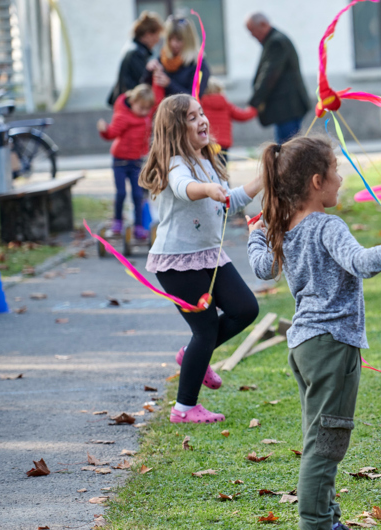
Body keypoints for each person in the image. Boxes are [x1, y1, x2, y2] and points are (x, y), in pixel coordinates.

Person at [247, 136, 381, 530]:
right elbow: (361, 263)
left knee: (320, 437)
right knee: (325, 445)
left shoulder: (286, 228)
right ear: (317, 181)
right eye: (335, 171)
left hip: (305, 347)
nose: (341, 178)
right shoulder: (327, 226)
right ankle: (315, 523)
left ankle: (329, 518)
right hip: (331, 346)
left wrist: (257, 232)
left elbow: (263, 268)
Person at [139, 94, 263, 423]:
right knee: (205, 330)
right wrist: (206, 189)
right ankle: (184, 408)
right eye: (192, 117)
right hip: (177, 261)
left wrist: (262, 181)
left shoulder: (206, 160)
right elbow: (184, 188)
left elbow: (227, 201)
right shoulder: (176, 164)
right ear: (177, 129)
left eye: (202, 113)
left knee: (246, 308)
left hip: (209, 255)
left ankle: (192, 354)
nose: (203, 120)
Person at [97, 83, 164, 238]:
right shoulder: (123, 116)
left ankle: (139, 226)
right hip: (119, 162)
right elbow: (112, 133)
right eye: (141, 108)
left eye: (147, 109)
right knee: (120, 193)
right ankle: (117, 223)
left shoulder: (146, 116)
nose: (145, 112)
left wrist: (157, 77)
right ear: (132, 102)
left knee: (137, 195)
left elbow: (158, 99)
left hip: (136, 163)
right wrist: (104, 129)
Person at [246, 13, 311, 144]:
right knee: (290, 148)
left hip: (287, 109)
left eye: (252, 31)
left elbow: (269, 75)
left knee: (288, 150)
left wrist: (255, 102)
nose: (252, 36)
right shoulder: (275, 40)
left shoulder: (276, 42)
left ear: (263, 25)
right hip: (286, 109)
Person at [145, 16, 209, 98]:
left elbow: (194, 97)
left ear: (189, 40)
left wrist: (169, 84)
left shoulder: (199, 66)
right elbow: (145, 92)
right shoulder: (163, 59)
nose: (173, 44)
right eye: (170, 39)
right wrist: (148, 71)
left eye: (179, 39)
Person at [108, 11, 163, 106]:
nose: (158, 40)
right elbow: (142, 83)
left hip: (126, 102)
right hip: (130, 106)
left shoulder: (133, 48)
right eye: (157, 35)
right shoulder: (137, 53)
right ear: (147, 34)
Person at [201, 77, 257, 162]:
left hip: (207, 142)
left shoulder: (201, 104)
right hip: (223, 144)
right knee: (222, 169)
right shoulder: (226, 104)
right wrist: (255, 108)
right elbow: (243, 115)